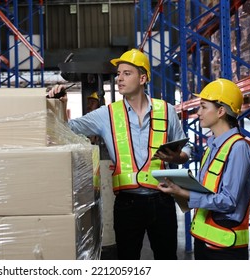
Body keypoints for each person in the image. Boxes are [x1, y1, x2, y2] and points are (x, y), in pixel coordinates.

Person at [48, 48, 191, 260]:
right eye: (118, 74)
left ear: (142, 78)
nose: (119, 78)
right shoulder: (107, 114)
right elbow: (67, 128)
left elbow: (186, 151)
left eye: (126, 73)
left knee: (167, 259)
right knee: (127, 260)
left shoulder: (167, 110)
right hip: (127, 204)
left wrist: (175, 157)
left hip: (163, 200)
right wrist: (60, 104)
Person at [157, 78, 250, 260]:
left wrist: (185, 192)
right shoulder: (212, 146)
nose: (199, 112)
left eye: (203, 107)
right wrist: (178, 189)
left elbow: (228, 201)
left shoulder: (239, 148)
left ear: (220, 111)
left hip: (226, 249)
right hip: (205, 241)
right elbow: (208, 190)